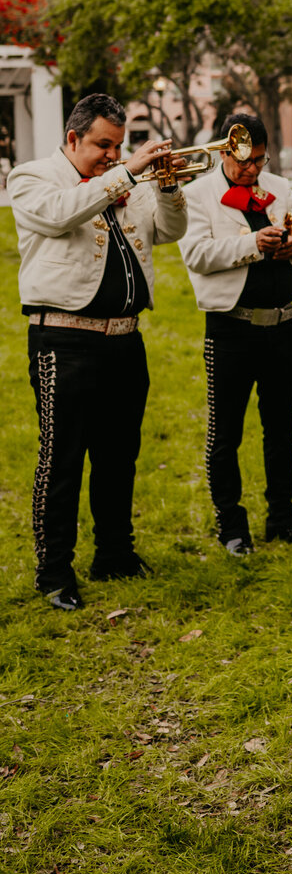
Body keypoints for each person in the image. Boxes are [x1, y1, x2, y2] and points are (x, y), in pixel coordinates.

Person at [8, 93, 187, 611]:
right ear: (72, 138)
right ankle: (54, 571)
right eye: (102, 145)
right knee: (61, 457)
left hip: (125, 338)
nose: (112, 154)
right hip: (64, 337)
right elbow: (60, 216)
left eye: (118, 145)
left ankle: (114, 553)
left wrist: (169, 187)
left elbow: (170, 232)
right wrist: (126, 174)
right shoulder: (33, 177)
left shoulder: (126, 181)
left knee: (118, 455)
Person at [178, 111, 292, 556]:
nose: (253, 169)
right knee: (226, 433)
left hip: (282, 324)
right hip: (231, 329)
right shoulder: (197, 193)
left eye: (260, 160)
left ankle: (283, 519)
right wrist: (252, 245)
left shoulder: (278, 187)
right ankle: (232, 528)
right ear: (225, 150)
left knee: (281, 429)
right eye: (245, 161)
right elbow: (197, 255)